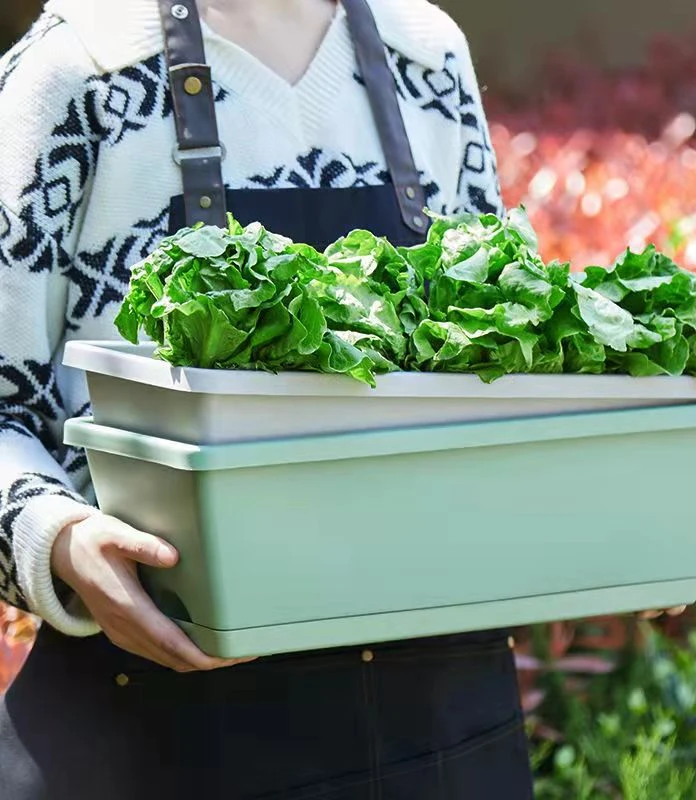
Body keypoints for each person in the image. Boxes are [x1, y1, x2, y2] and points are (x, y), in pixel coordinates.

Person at [0, 1, 533, 797]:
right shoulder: (77, 67)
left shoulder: (427, 52)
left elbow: (499, 359)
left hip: (437, 719)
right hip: (158, 722)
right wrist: (61, 542)